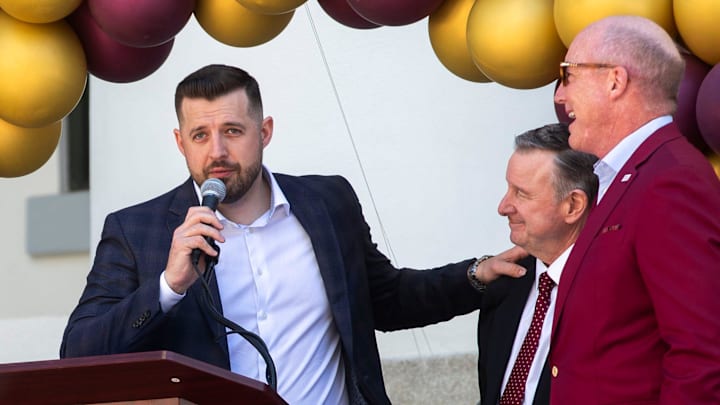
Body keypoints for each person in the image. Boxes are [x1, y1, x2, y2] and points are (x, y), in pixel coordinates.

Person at [59, 64, 527, 405]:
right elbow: (79, 353)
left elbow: (385, 298)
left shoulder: (327, 203)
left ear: (264, 132)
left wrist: (473, 276)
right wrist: (168, 286)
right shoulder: (136, 229)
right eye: (200, 135)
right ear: (181, 142)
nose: (217, 151)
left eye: (233, 130)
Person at [552, 15, 720, 404]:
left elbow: (703, 356)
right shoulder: (626, 175)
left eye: (568, 75)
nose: (560, 96)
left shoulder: (671, 181)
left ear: (615, 81)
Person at [475, 123, 598, 405]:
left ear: (573, 205)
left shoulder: (613, 297)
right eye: (508, 189)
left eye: (521, 193)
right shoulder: (504, 287)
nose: (503, 206)